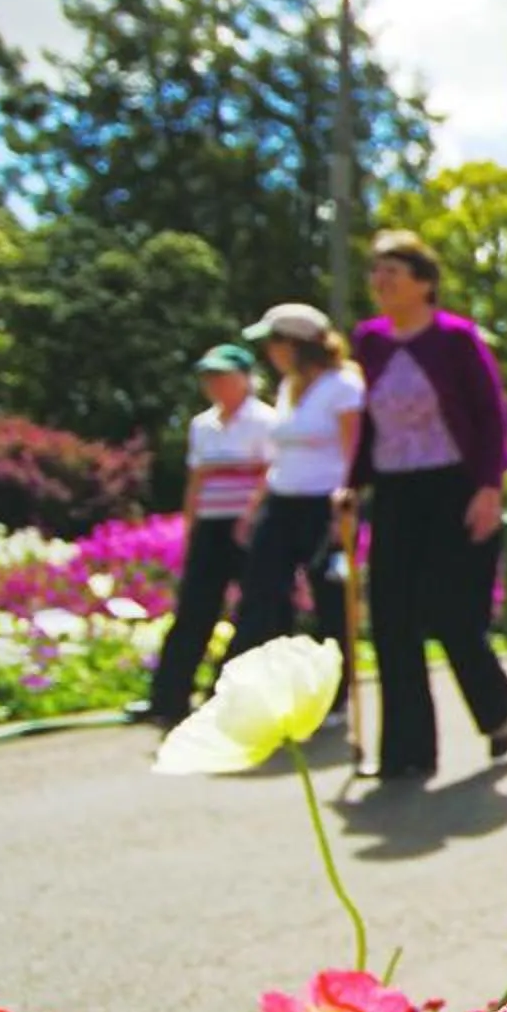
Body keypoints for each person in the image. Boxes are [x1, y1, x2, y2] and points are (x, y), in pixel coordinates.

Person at [342, 229, 507, 783]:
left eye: (393, 270)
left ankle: (496, 708)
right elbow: (365, 423)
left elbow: (492, 416)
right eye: (375, 270)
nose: (381, 280)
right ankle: (407, 753)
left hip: (455, 486)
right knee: (391, 618)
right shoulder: (368, 342)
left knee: (453, 615)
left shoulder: (456, 339)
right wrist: (351, 485)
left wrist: (489, 488)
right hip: (395, 489)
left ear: (424, 282)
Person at [224, 304, 360, 711]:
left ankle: (334, 698)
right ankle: (246, 692)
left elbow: (354, 452)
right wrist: (256, 505)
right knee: (261, 594)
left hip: (324, 505)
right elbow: (280, 455)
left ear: (297, 344)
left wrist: (346, 509)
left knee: (330, 604)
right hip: (282, 502)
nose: (270, 351)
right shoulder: (287, 388)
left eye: (275, 342)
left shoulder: (344, 386)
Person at [136, 342, 273, 728]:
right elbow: (196, 478)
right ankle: (168, 696)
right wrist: (190, 523)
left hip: (248, 527)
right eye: (209, 377)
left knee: (253, 610)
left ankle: (225, 692)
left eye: (223, 376)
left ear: (245, 379)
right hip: (211, 525)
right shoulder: (202, 424)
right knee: (194, 608)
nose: (214, 384)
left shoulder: (265, 421)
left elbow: (269, 472)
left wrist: (250, 516)